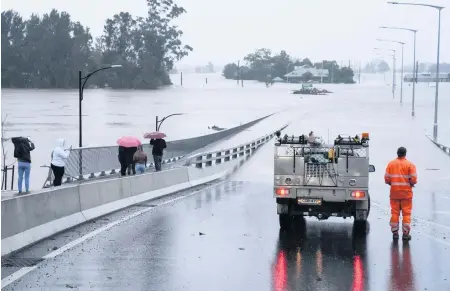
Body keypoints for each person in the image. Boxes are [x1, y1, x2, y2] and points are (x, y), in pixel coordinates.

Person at [385, 147, 417, 241]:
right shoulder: (410, 165)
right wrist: (411, 183)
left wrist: (392, 183)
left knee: (395, 213)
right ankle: (405, 234)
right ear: (405, 154)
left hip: (394, 193)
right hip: (406, 194)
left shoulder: (391, 164)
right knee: (406, 214)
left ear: (397, 153)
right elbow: (414, 180)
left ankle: (395, 233)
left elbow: (386, 179)